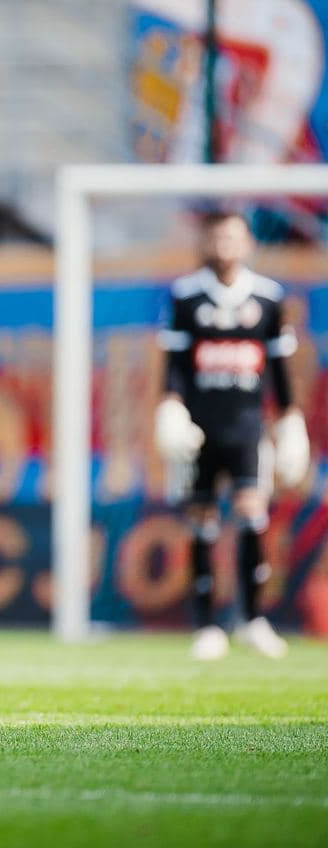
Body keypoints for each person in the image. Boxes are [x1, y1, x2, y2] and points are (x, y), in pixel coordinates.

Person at [154, 210, 308, 661]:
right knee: (201, 519)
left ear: (247, 244)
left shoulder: (267, 297)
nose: (225, 246)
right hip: (199, 430)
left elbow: (278, 369)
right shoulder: (186, 296)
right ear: (206, 243)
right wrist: (170, 406)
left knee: (251, 513)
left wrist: (289, 420)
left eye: (233, 238)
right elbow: (175, 367)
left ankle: (252, 619)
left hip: (246, 427)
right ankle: (206, 625)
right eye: (218, 238)